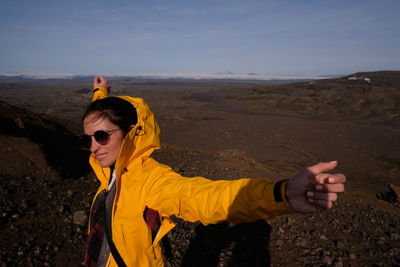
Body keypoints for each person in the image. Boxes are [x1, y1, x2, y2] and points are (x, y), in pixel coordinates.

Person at [82, 76, 346, 267]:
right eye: (88, 138)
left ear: (131, 132)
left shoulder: (152, 181)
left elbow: (206, 197)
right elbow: (104, 120)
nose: (93, 147)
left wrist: (282, 193)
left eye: (102, 136)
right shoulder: (109, 170)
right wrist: (101, 92)